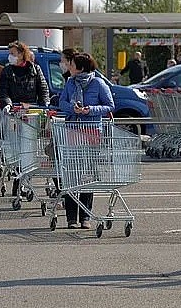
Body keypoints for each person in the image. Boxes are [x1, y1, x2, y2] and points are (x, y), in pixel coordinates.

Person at [58, 52, 115, 229]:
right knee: (72, 174)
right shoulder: (70, 83)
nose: (69, 67)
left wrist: (90, 109)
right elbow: (62, 102)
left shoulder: (98, 83)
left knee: (87, 175)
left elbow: (110, 105)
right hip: (73, 130)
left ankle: (85, 217)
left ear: (81, 67)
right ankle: (71, 218)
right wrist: (72, 109)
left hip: (91, 132)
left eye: (72, 65)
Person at [0, 40, 50, 193]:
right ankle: (18, 176)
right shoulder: (7, 71)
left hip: (31, 113)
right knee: (17, 148)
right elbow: (3, 90)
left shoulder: (34, 69)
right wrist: (7, 103)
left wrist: (44, 104)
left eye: (13, 54)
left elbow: (43, 89)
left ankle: (25, 178)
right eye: (10, 54)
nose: (10, 57)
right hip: (14, 113)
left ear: (21, 54)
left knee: (29, 148)